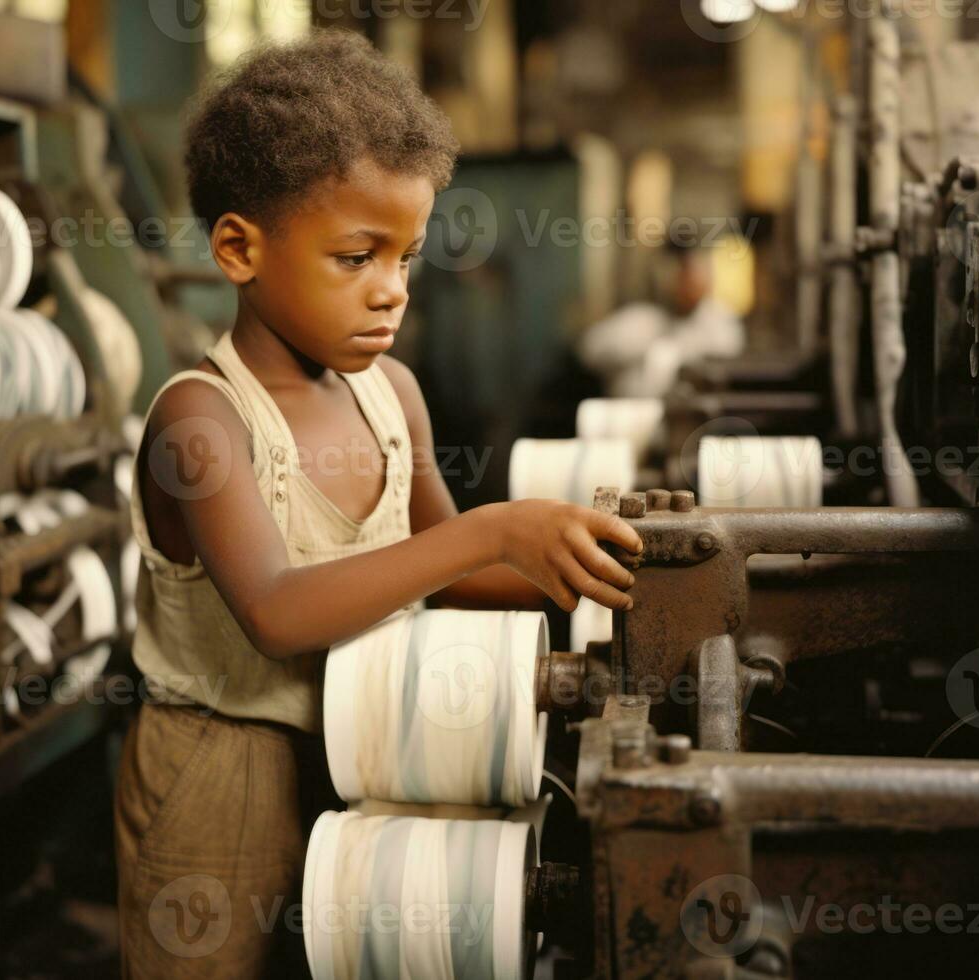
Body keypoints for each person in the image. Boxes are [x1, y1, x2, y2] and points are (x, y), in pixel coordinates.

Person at [114, 29, 643, 979]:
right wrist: (495, 527)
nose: (391, 292)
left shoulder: (389, 395)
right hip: (222, 775)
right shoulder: (201, 423)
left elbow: (442, 573)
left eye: (406, 257)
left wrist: (582, 571)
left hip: (371, 749)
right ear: (239, 248)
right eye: (357, 256)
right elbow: (277, 614)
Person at [575, 245, 745, 399]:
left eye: (695, 273)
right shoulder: (640, 319)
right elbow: (588, 350)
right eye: (680, 273)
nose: (688, 282)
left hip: (695, 420)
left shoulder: (720, 322)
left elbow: (728, 360)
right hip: (630, 418)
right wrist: (642, 345)